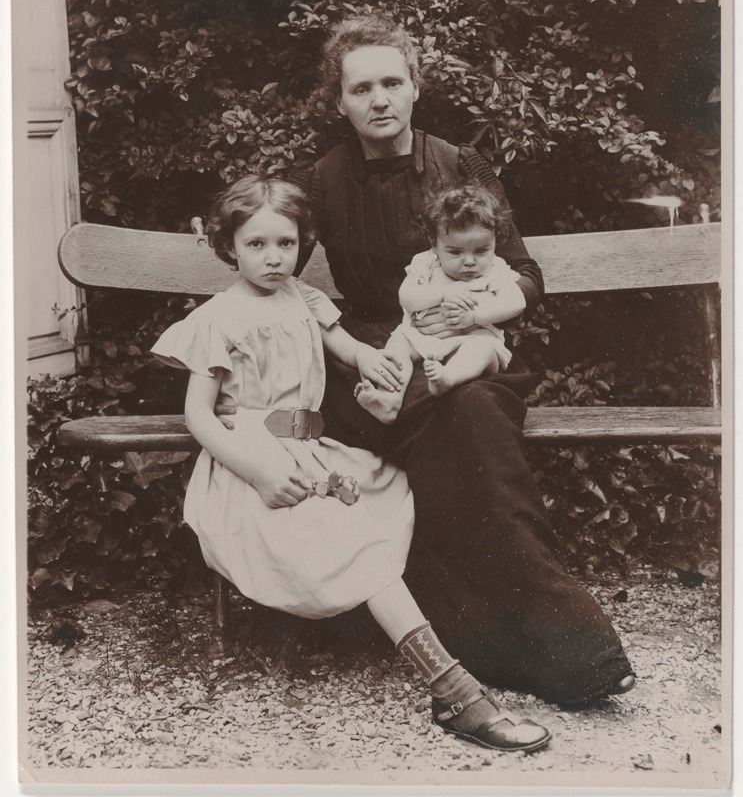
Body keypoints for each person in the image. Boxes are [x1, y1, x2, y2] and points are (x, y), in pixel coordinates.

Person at [152, 175, 550, 753]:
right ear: (228, 246)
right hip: (252, 458)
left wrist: (384, 361)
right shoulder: (217, 319)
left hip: (307, 440)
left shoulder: (303, 300)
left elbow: (355, 352)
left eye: (286, 244)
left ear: (301, 245)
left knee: (397, 484)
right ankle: (453, 689)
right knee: (351, 534)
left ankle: (470, 640)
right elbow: (202, 417)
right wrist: (262, 473)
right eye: (256, 244)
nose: (273, 258)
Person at [355, 183, 521, 423]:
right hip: (424, 339)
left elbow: (516, 301)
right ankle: (390, 400)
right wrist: (442, 294)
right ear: (434, 244)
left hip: (475, 338)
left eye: (482, 250)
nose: (469, 262)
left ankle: (448, 378)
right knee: (399, 341)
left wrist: (476, 317)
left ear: (495, 241)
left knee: (481, 350)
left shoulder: (495, 269)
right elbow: (407, 297)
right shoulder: (427, 264)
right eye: (455, 252)